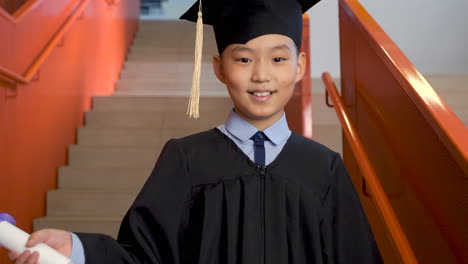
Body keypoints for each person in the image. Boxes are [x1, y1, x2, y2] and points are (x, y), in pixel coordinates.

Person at [6, 0, 383, 263]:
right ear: (220, 68)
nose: (262, 75)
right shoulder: (185, 159)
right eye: (244, 59)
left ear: (300, 67)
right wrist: (77, 248)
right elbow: (143, 256)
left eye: (279, 59)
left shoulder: (323, 168)